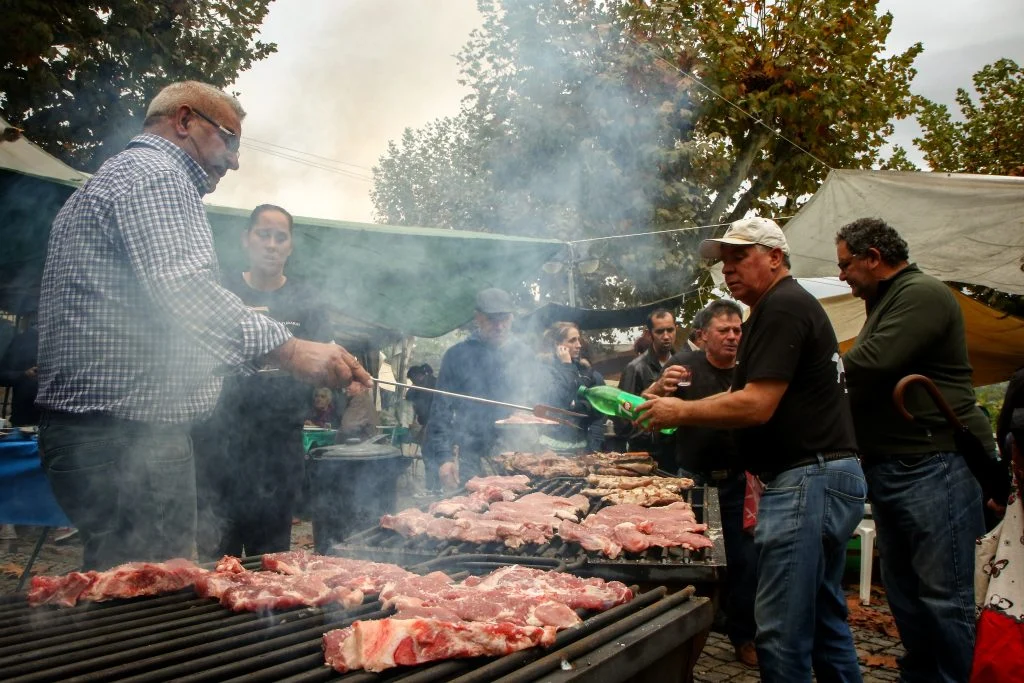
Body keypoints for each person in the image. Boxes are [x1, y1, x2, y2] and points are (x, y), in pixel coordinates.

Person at [34, 82, 369, 571]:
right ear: (185, 121)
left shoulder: (111, 178)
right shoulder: (159, 176)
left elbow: (160, 318)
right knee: (152, 599)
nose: (234, 161)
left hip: (95, 437)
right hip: (129, 438)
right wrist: (291, 350)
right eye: (229, 140)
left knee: (118, 586)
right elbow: (185, 292)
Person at [637, 217, 865, 682]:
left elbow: (758, 405)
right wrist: (673, 403)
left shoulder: (781, 306)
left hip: (808, 478)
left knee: (779, 632)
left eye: (740, 257)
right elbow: (753, 396)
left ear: (775, 257)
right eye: (724, 262)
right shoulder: (779, 307)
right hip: (824, 474)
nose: (729, 271)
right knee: (823, 619)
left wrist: (679, 413)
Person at [835, 217, 991, 683]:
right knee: (904, 593)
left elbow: (871, 362)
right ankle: (921, 673)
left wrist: (804, 372)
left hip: (933, 462)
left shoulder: (920, 292)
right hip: (895, 467)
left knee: (946, 595)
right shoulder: (885, 302)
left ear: (873, 258)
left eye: (846, 265)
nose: (842, 275)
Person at [195, 203, 340, 559]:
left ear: (290, 246)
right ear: (247, 239)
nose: (271, 244)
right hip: (218, 443)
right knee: (218, 558)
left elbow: (322, 360)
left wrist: (339, 371)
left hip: (279, 445)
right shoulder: (222, 290)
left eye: (281, 237)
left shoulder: (308, 300)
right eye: (264, 234)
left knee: (272, 560)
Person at [648, 299, 757, 668]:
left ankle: (744, 637)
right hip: (692, 481)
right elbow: (643, 407)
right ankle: (687, 641)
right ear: (703, 335)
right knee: (692, 559)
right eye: (723, 330)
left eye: (737, 329)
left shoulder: (750, 370)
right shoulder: (685, 366)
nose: (732, 336)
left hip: (741, 483)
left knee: (744, 563)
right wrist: (660, 388)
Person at [424, 288, 535, 488]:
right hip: (470, 455)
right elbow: (441, 410)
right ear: (478, 318)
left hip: (516, 454)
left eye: (505, 319)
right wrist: (444, 458)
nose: (500, 326)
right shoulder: (457, 355)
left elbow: (536, 397)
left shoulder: (524, 354)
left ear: (512, 318)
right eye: (492, 319)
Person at [618, 308, 678, 470]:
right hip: (646, 455)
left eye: (670, 330)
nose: (666, 336)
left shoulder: (682, 364)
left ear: (676, 329)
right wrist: (649, 436)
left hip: (677, 455)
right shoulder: (635, 368)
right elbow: (622, 420)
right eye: (660, 331)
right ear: (650, 334)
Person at [540, 321, 606, 452]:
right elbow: (557, 401)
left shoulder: (586, 371)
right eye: (572, 341)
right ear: (557, 345)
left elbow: (598, 409)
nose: (579, 345)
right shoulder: (545, 370)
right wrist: (566, 366)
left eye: (579, 340)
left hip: (582, 445)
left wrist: (577, 406)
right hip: (551, 447)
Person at [0, 313, 39, 426]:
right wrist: (25, 374)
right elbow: (2, 376)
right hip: (25, 416)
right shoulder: (21, 341)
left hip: (55, 419)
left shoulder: (62, 341)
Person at [406, 364, 440, 490]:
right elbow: (409, 399)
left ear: (419, 375)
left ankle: (433, 488)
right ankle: (435, 487)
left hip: (434, 424)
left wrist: (427, 427)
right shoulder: (420, 386)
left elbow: (435, 409)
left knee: (430, 455)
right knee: (432, 455)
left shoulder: (432, 385)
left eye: (413, 379)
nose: (413, 383)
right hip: (429, 424)